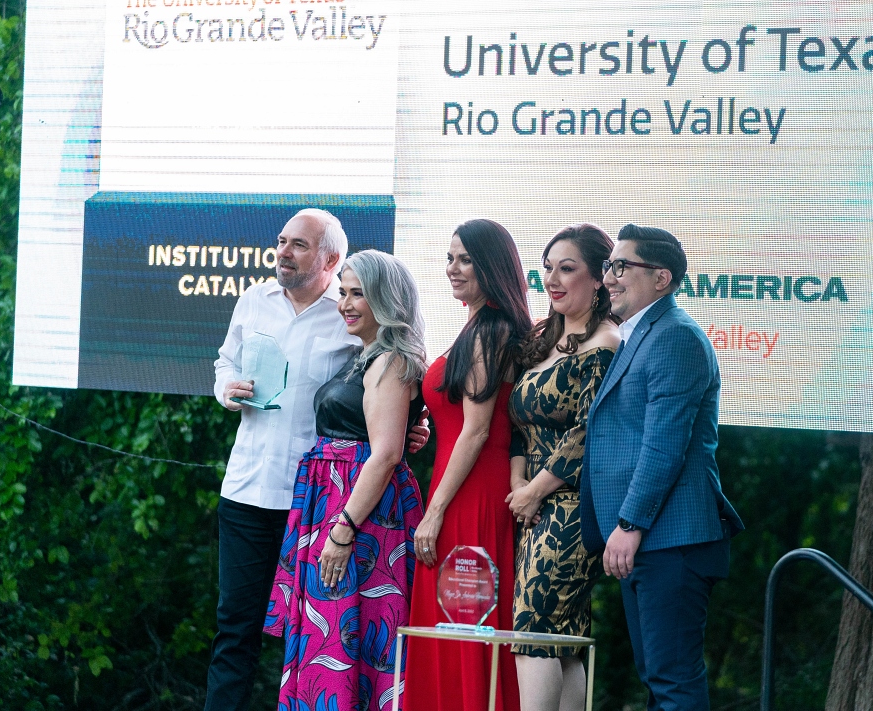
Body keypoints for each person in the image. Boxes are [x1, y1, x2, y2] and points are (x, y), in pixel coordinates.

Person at [208, 211, 427, 711]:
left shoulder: (351, 312)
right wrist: (227, 388)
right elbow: (225, 361)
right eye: (282, 241)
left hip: (318, 506)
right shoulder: (252, 301)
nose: (283, 251)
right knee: (234, 628)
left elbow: (389, 376)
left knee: (313, 633)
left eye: (298, 245)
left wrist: (413, 420)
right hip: (247, 488)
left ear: (331, 259)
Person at [581, 225, 744, 711]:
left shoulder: (675, 337)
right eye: (609, 266)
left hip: (672, 539)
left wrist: (629, 524)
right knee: (658, 679)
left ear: (661, 278)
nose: (608, 278)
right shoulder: (642, 335)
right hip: (655, 540)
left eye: (620, 266)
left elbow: (663, 446)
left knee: (672, 683)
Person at [263, 250, 427, 711]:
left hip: (361, 518)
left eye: (359, 294)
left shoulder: (391, 361)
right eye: (343, 293)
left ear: (386, 299)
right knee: (329, 636)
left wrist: (343, 530)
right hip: (335, 502)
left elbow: (386, 454)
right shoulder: (369, 356)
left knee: (347, 636)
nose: (346, 304)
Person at [404, 219, 531, 711]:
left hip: (471, 494)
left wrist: (434, 511)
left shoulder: (491, 329)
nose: (453, 269)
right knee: (453, 623)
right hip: (460, 484)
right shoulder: (480, 326)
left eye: (465, 259)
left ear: (491, 266)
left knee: (465, 624)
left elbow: (478, 430)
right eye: (450, 258)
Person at [505, 224, 620, 711]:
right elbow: (518, 427)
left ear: (598, 279)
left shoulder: (607, 343)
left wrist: (535, 492)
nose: (552, 278)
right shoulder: (541, 338)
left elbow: (587, 434)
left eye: (567, 268)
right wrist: (518, 486)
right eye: (548, 267)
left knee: (533, 636)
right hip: (531, 506)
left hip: (570, 510)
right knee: (561, 640)